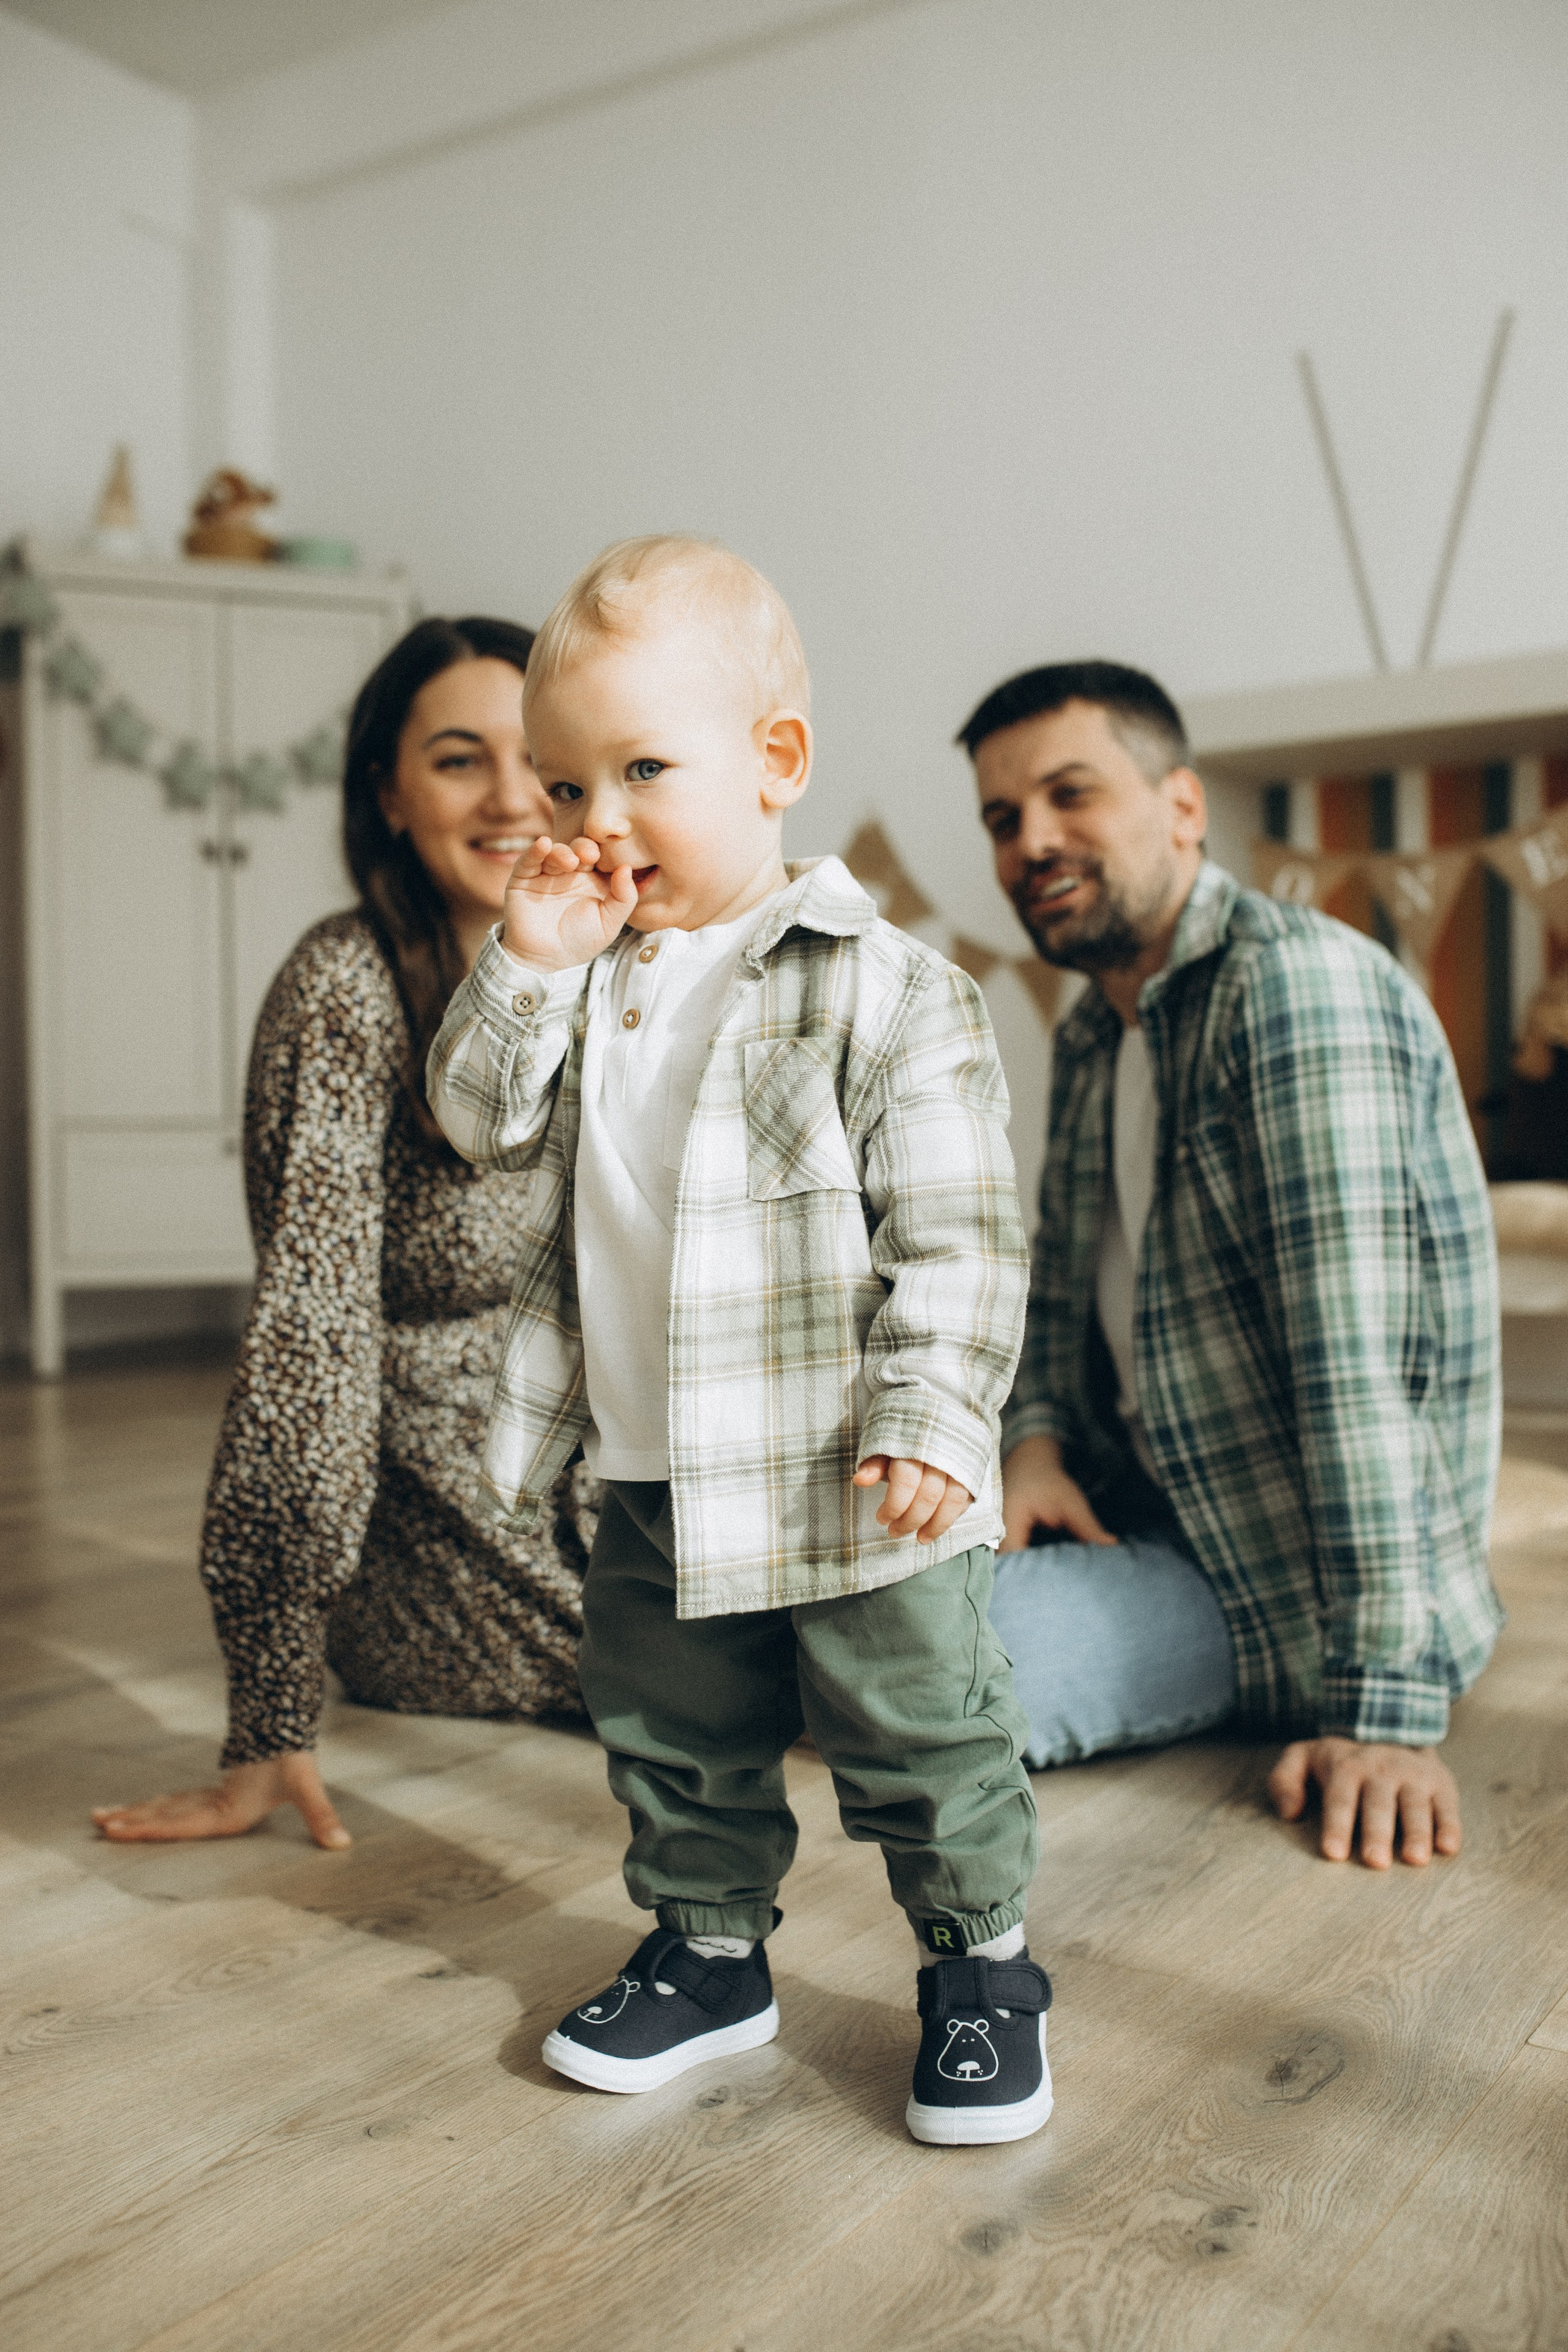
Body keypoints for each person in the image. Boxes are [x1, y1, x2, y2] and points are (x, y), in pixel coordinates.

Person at [428, 536, 1050, 2146]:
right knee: (671, 1726)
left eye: (643, 768)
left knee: (922, 1726)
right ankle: (712, 1954)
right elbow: (477, 1123)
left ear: (775, 762)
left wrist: (933, 1413)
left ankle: (981, 1968)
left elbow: (962, 1228)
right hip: (650, 1461)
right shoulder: (578, 980)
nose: (596, 820)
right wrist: (523, 964)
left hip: (858, 1466)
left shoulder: (883, 988)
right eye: (564, 788)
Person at [962, 660, 1502, 1872]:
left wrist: (1379, 1719)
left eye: (1067, 795)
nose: (1029, 842)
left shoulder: (1289, 991)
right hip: (1138, 1505)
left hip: (1282, 1574)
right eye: (1002, 818)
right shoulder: (1102, 1024)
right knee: (839, 1574)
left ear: (1183, 808)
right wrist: (1032, 1447)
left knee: (922, 1673)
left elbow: (1352, 1363)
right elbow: (1054, 1292)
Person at [92, 618, 596, 1853]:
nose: (511, 798)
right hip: (431, 1509)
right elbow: (308, 1342)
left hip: (600, 1455)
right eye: (458, 759)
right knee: (735, 1676)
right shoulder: (345, 988)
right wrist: (268, 1718)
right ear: (389, 794)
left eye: (539, 759)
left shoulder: (617, 962)